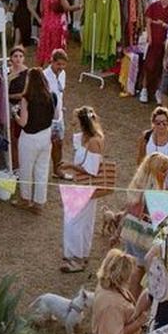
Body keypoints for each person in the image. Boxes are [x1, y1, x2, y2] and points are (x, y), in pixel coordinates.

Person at [60, 106, 105, 274]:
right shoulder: (86, 138)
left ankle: (77, 259)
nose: (73, 123)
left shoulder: (94, 142)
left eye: (75, 120)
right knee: (83, 222)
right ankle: (81, 256)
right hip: (82, 186)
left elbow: (92, 170)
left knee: (74, 222)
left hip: (85, 187)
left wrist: (71, 166)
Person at [15, 68, 55, 215]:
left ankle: (26, 199)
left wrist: (15, 115)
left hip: (30, 138)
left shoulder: (26, 98)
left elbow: (23, 122)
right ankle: (39, 202)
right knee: (42, 170)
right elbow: (54, 115)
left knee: (26, 170)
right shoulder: (50, 96)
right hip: (45, 135)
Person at [140, 0, 168, 103]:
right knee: (148, 67)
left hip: (165, 43)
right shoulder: (153, 6)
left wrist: (164, 25)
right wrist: (149, 37)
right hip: (153, 41)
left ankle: (157, 91)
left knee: (162, 68)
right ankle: (144, 89)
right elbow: (148, 22)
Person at [137, 107, 168, 189]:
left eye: (164, 123)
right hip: (149, 176)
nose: (161, 126)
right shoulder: (146, 136)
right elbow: (140, 159)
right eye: (158, 123)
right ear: (153, 123)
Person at [35, 0, 69, 67]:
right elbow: (67, 8)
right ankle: (53, 68)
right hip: (56, 24)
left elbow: (41, 10)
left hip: (45, 24)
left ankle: (39, 69)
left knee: (44, 46)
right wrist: (80, 6)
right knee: (55, 47)